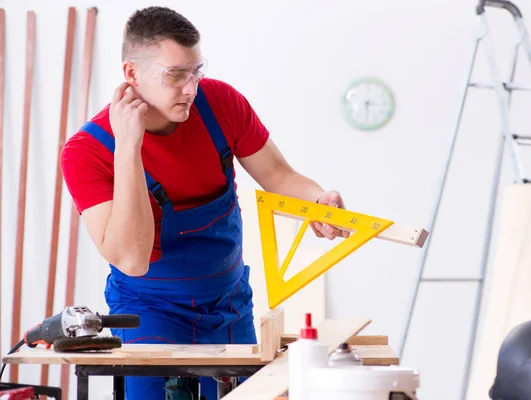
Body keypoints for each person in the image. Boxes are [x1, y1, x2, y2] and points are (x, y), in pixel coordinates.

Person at [60, 5, 348, 400]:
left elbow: (280, 176)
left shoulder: (220, 104)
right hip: (149, 315)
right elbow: (131, 258)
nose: (190, 88)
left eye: (196, 71)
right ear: (132, 74)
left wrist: (319, 200)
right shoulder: (88, 152)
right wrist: (129, 147)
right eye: (175, 75)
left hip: (229, 308)